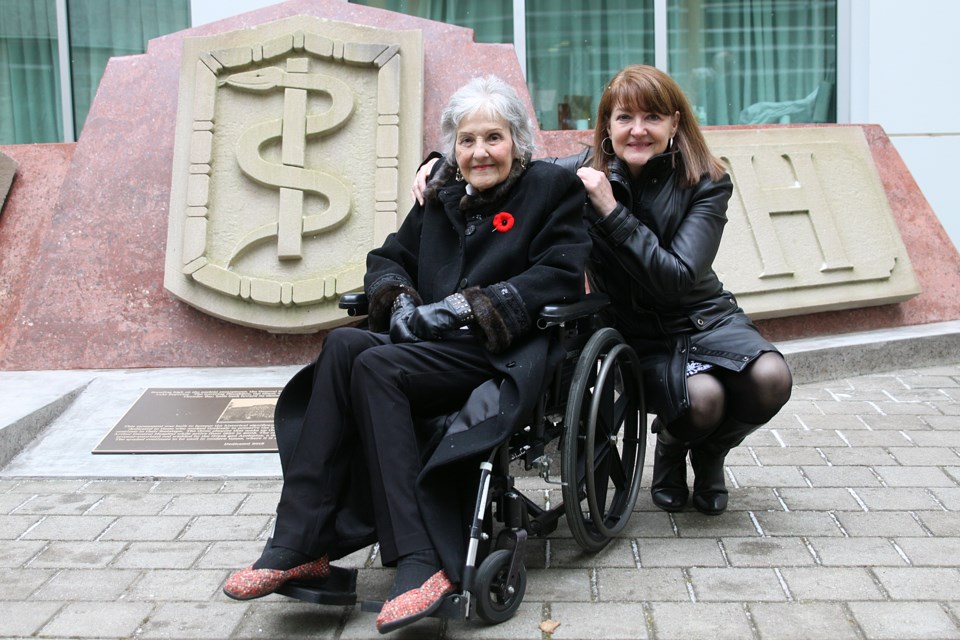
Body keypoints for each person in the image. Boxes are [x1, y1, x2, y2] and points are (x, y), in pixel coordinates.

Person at [222, 75, 590, 634]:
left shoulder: (548, 191)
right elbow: (386, 257)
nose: (479, 152)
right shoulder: (441, 195)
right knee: (345, 343)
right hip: (426, 345)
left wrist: (469, 309)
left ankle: (420, 559)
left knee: (374, 363)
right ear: (452, 147)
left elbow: (561, 274)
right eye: (466, 140)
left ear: (516, 140)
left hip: (498, 354)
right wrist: (398, 302)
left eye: (493, 137)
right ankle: (298, 541)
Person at [413, 64, 792, 517]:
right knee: (704, 398)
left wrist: (612, 212)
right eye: (624, 118)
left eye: (652, 118)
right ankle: (674, 445)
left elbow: (676, 277)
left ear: (674, 123)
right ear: (606, 127)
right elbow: (507, 163)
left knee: (771, 379)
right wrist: (438, 162)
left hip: (704, 318)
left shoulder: (707, 182)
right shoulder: (580, 172)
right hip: (629, 334)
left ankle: (710, 454)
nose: (638, 131)